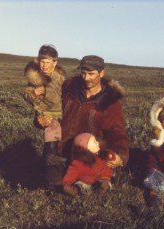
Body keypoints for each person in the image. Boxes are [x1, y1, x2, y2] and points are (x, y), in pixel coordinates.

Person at [38, 55, 129, 187]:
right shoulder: (68, 90)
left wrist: (121, 156)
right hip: (61, 151)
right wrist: (41, 119)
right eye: (83, 73)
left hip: (88, 155)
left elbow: (118, 133)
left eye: (91, 74)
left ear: (102, 73)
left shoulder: (110, 103)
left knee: (78, 178)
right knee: (52, 182)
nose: (86, 78)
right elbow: (50, 109)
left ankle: (100, 174)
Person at [23, 44, 66, 188]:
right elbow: (26, 94)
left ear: (55, 62)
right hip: (43, 115)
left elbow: (57, 98)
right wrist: (33, 94)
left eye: (48, 62)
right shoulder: (35, 76)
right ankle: (51, 176)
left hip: (59, 114)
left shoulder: (59, 78)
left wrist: (44, 92)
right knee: (51, 134)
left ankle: (52, 176)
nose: (45, 65)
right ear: (38, 60)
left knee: (54, 134)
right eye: (42, 62)